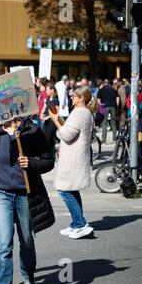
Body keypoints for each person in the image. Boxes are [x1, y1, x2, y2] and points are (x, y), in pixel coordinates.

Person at [0, 116, 55, 284]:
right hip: (0, 194)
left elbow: (49, 160)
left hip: (26, 195)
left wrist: (32, 163)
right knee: (4, 245)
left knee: (26, 241)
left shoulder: (32, 131)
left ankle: (28, 276)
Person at [49, 86, 95, 239]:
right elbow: (71, 130)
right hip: (77, 156)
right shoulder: (86, 113)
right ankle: (76, 223)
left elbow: (67, 134)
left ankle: (81, 224)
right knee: (73, 190)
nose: (71, 98)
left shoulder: (79, 113)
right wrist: (61, 120)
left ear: (81, 98)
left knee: (64, 190)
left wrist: (56, 121)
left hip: (72, 158)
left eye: (74, 96)